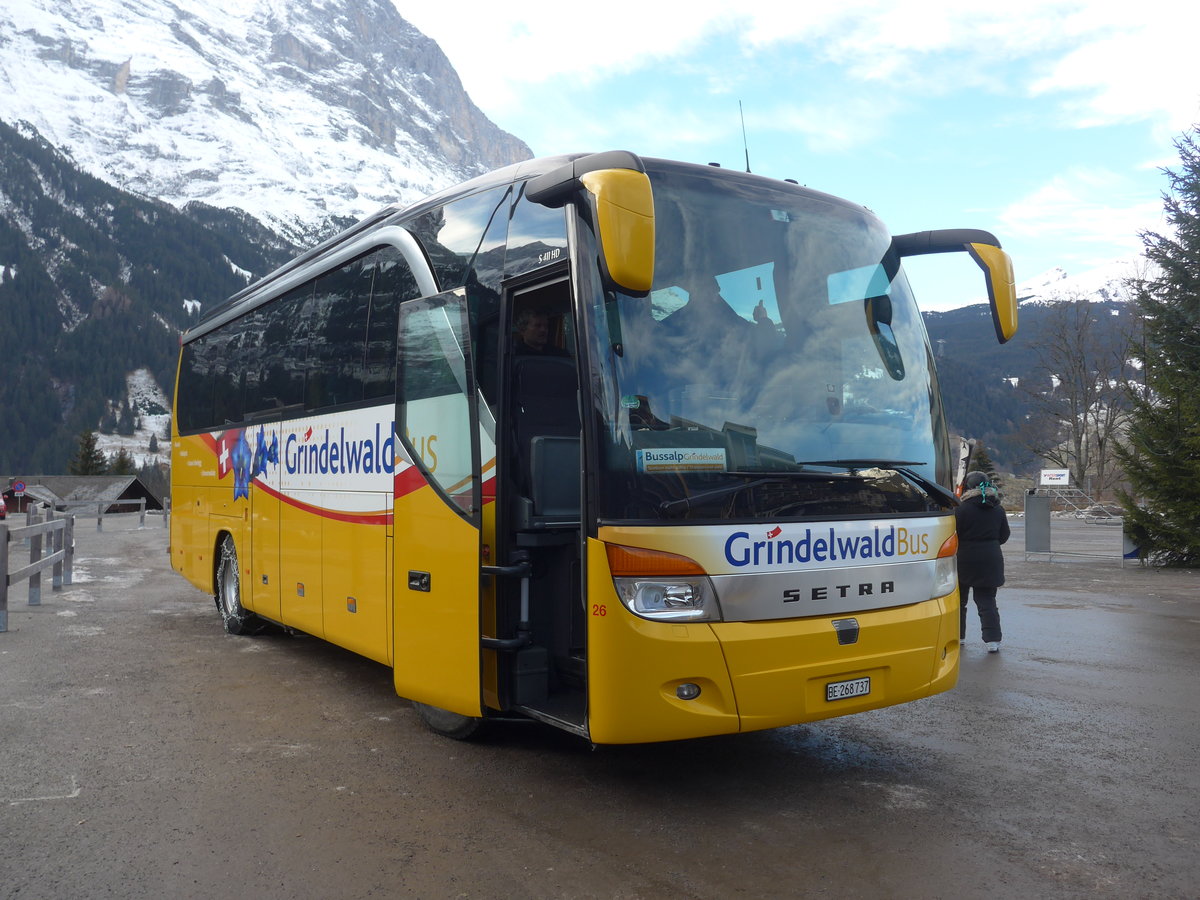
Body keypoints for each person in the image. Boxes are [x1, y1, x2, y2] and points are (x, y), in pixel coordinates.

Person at [955, 470, 1010, 652]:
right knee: (987, 601)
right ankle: (992, 641)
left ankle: (959, 636)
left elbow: (954, 535)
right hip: (991, 558)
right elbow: (1004, 536)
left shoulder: (961, 509)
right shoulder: (998, 508)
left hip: (965, 559)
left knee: (959, 601)